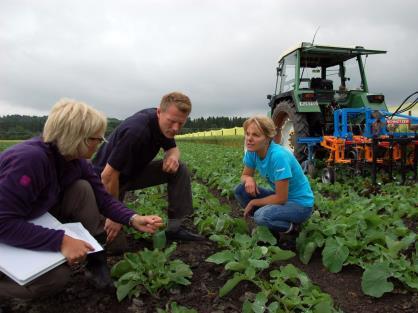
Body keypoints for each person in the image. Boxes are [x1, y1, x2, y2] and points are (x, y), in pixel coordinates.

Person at [0, 99, 164, 301]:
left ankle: (97, 261)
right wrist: (61, 240)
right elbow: (3, 222)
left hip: (29, 217)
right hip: (7, 227)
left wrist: (133, 218)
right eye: (96, 138)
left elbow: (103, 199)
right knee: (55, 280)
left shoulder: (75, 162)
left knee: (82, 188)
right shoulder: (29, 161)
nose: (101, 143)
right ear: (77, 138)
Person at [92, 91, 203, 242]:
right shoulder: (137, 131)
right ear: (159, 112)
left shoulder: (165, 125)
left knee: (180, 168)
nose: (176, 128)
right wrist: (114, 215)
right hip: (105, 182)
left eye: (181, 123)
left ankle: (175, 229)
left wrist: (172, 157)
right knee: (114, 245)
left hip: (131, 174)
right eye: (172, 122)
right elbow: (108, 176)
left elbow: (172, 149)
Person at [234, 115, 314, 238]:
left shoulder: (278, 156)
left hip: (300, 204)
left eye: (255, 135)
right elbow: (245, 175)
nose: (249, 139)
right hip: (281, 198)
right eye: (247, 133)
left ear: (267, 138)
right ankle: (269, 227)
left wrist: (255, 202)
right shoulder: (252, 151)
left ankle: (292, 229)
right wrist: (249, 178)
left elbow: (281, 198)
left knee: (261, 215)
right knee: (240, 190)